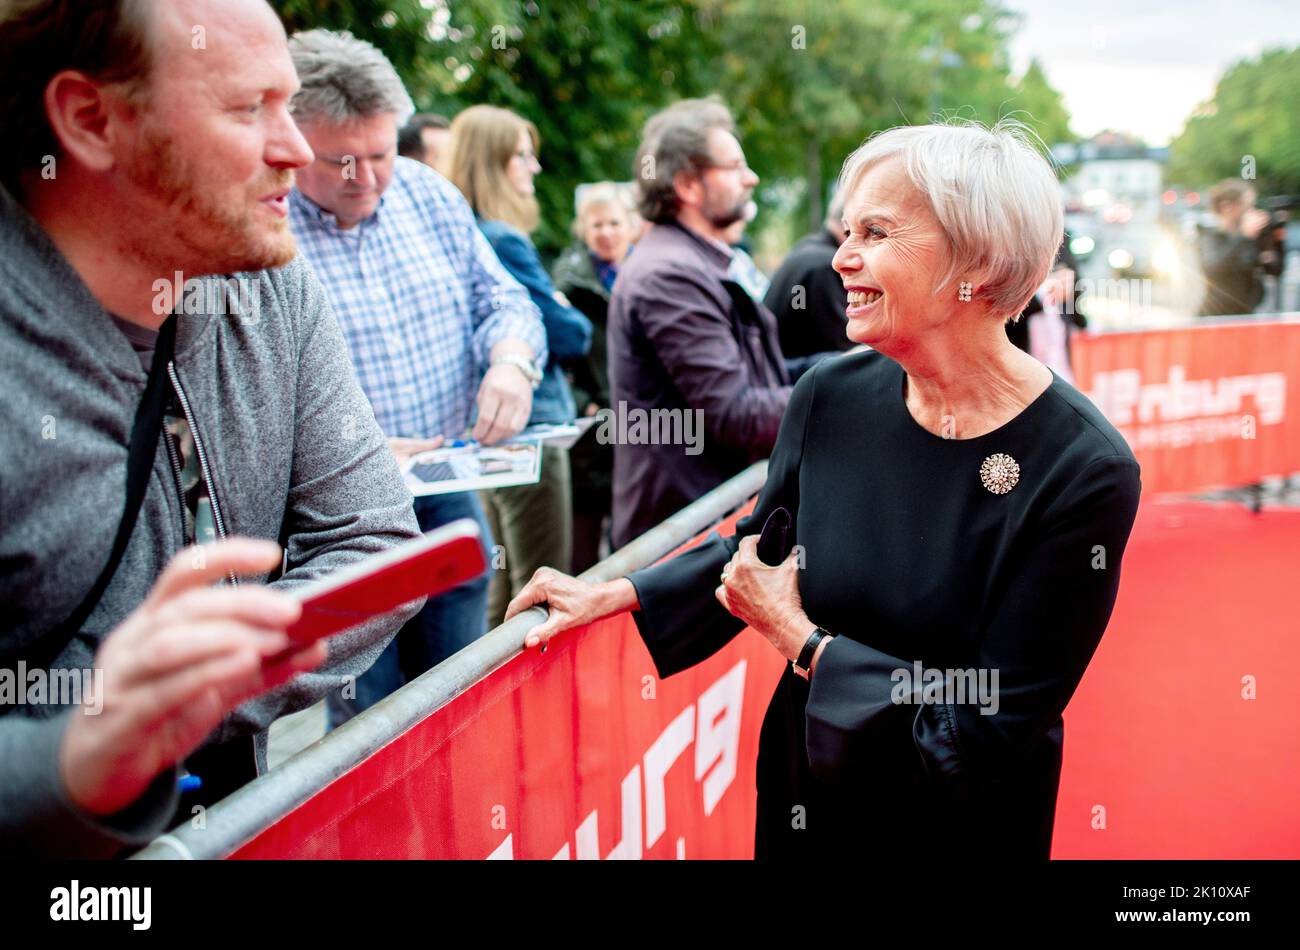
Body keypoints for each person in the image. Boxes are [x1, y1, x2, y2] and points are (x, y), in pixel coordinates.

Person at [506, 120, 1142, 861]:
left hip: (952, 828)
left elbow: (984, 728)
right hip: (808, 797)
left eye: (875, 232)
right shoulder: (829, 394)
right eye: (846, 231)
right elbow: (761, 548)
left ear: (979, 259)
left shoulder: (1084, 468)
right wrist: (616, 591)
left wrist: (803, 645)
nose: (840, 258)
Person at [0, 0, 423, 857]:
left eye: (289, 100)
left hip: (235, 817)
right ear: (90, 120)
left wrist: (203, 692)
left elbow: (377, 540)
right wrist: (85, 744)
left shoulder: (270, 285)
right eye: (246, 108)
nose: (298, 149)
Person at [286, 32, 546, 720]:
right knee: (368, 734)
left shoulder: (428, 194)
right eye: (341, 161)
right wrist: (350, 451)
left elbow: (504, 300)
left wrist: (512, 364)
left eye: (380, 154)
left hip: (446, 497)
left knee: (458, 705)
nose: (367, 178)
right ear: (287, 140)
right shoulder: (262, 225)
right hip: (337, 527)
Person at [608, 97, 831, 548]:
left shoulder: (698, 261)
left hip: (705, 521)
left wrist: (846, 367)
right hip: (686, 533)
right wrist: (842, 398)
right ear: (689, 185)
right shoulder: (670, 274)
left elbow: (759, 376)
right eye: (734, 167)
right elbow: (734, 413)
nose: (751, 178)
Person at [441, 104, 593, 626]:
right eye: (522, 156)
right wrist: (563, 312)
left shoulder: (467, 236)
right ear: (493, 164)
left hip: (497, 430)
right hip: (532, 433)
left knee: (504, 583)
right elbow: (570, 333)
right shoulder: (503, 239)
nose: (535, 167)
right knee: (539, 585)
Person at [552, 182, 636, 572]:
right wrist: (582, 397)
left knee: (632, 546)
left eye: (614, 223)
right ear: (583, 230)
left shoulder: (646, 276)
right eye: (596, 224)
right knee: (581, 551)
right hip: (590, 429)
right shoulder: (569, 284)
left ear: (631, 226)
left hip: (640, 426)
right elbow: (555, 353)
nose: (606, 232)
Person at [764, 193, 854, 357]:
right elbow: (845, 344)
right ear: (849, 224)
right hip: (792, 372)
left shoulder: (807, 248)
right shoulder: (826, 265)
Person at [1006, 233, 1086, 383]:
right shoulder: (1009, 237)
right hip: (1022, 362)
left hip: (1058, 357)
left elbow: (1074, 283)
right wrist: (1042, 294)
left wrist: (1082, 321)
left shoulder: (1063, 234)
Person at [1197, 179, 1272, 317]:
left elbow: (1274, 269)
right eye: (1247, 206)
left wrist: (1277, 240)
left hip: (1246, 316)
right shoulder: (1211, 236)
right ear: (1228, 207)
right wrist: (1244, 236)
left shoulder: (1249, 238)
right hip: (1216, 317)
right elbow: (1213, 268)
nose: (1251, 212)